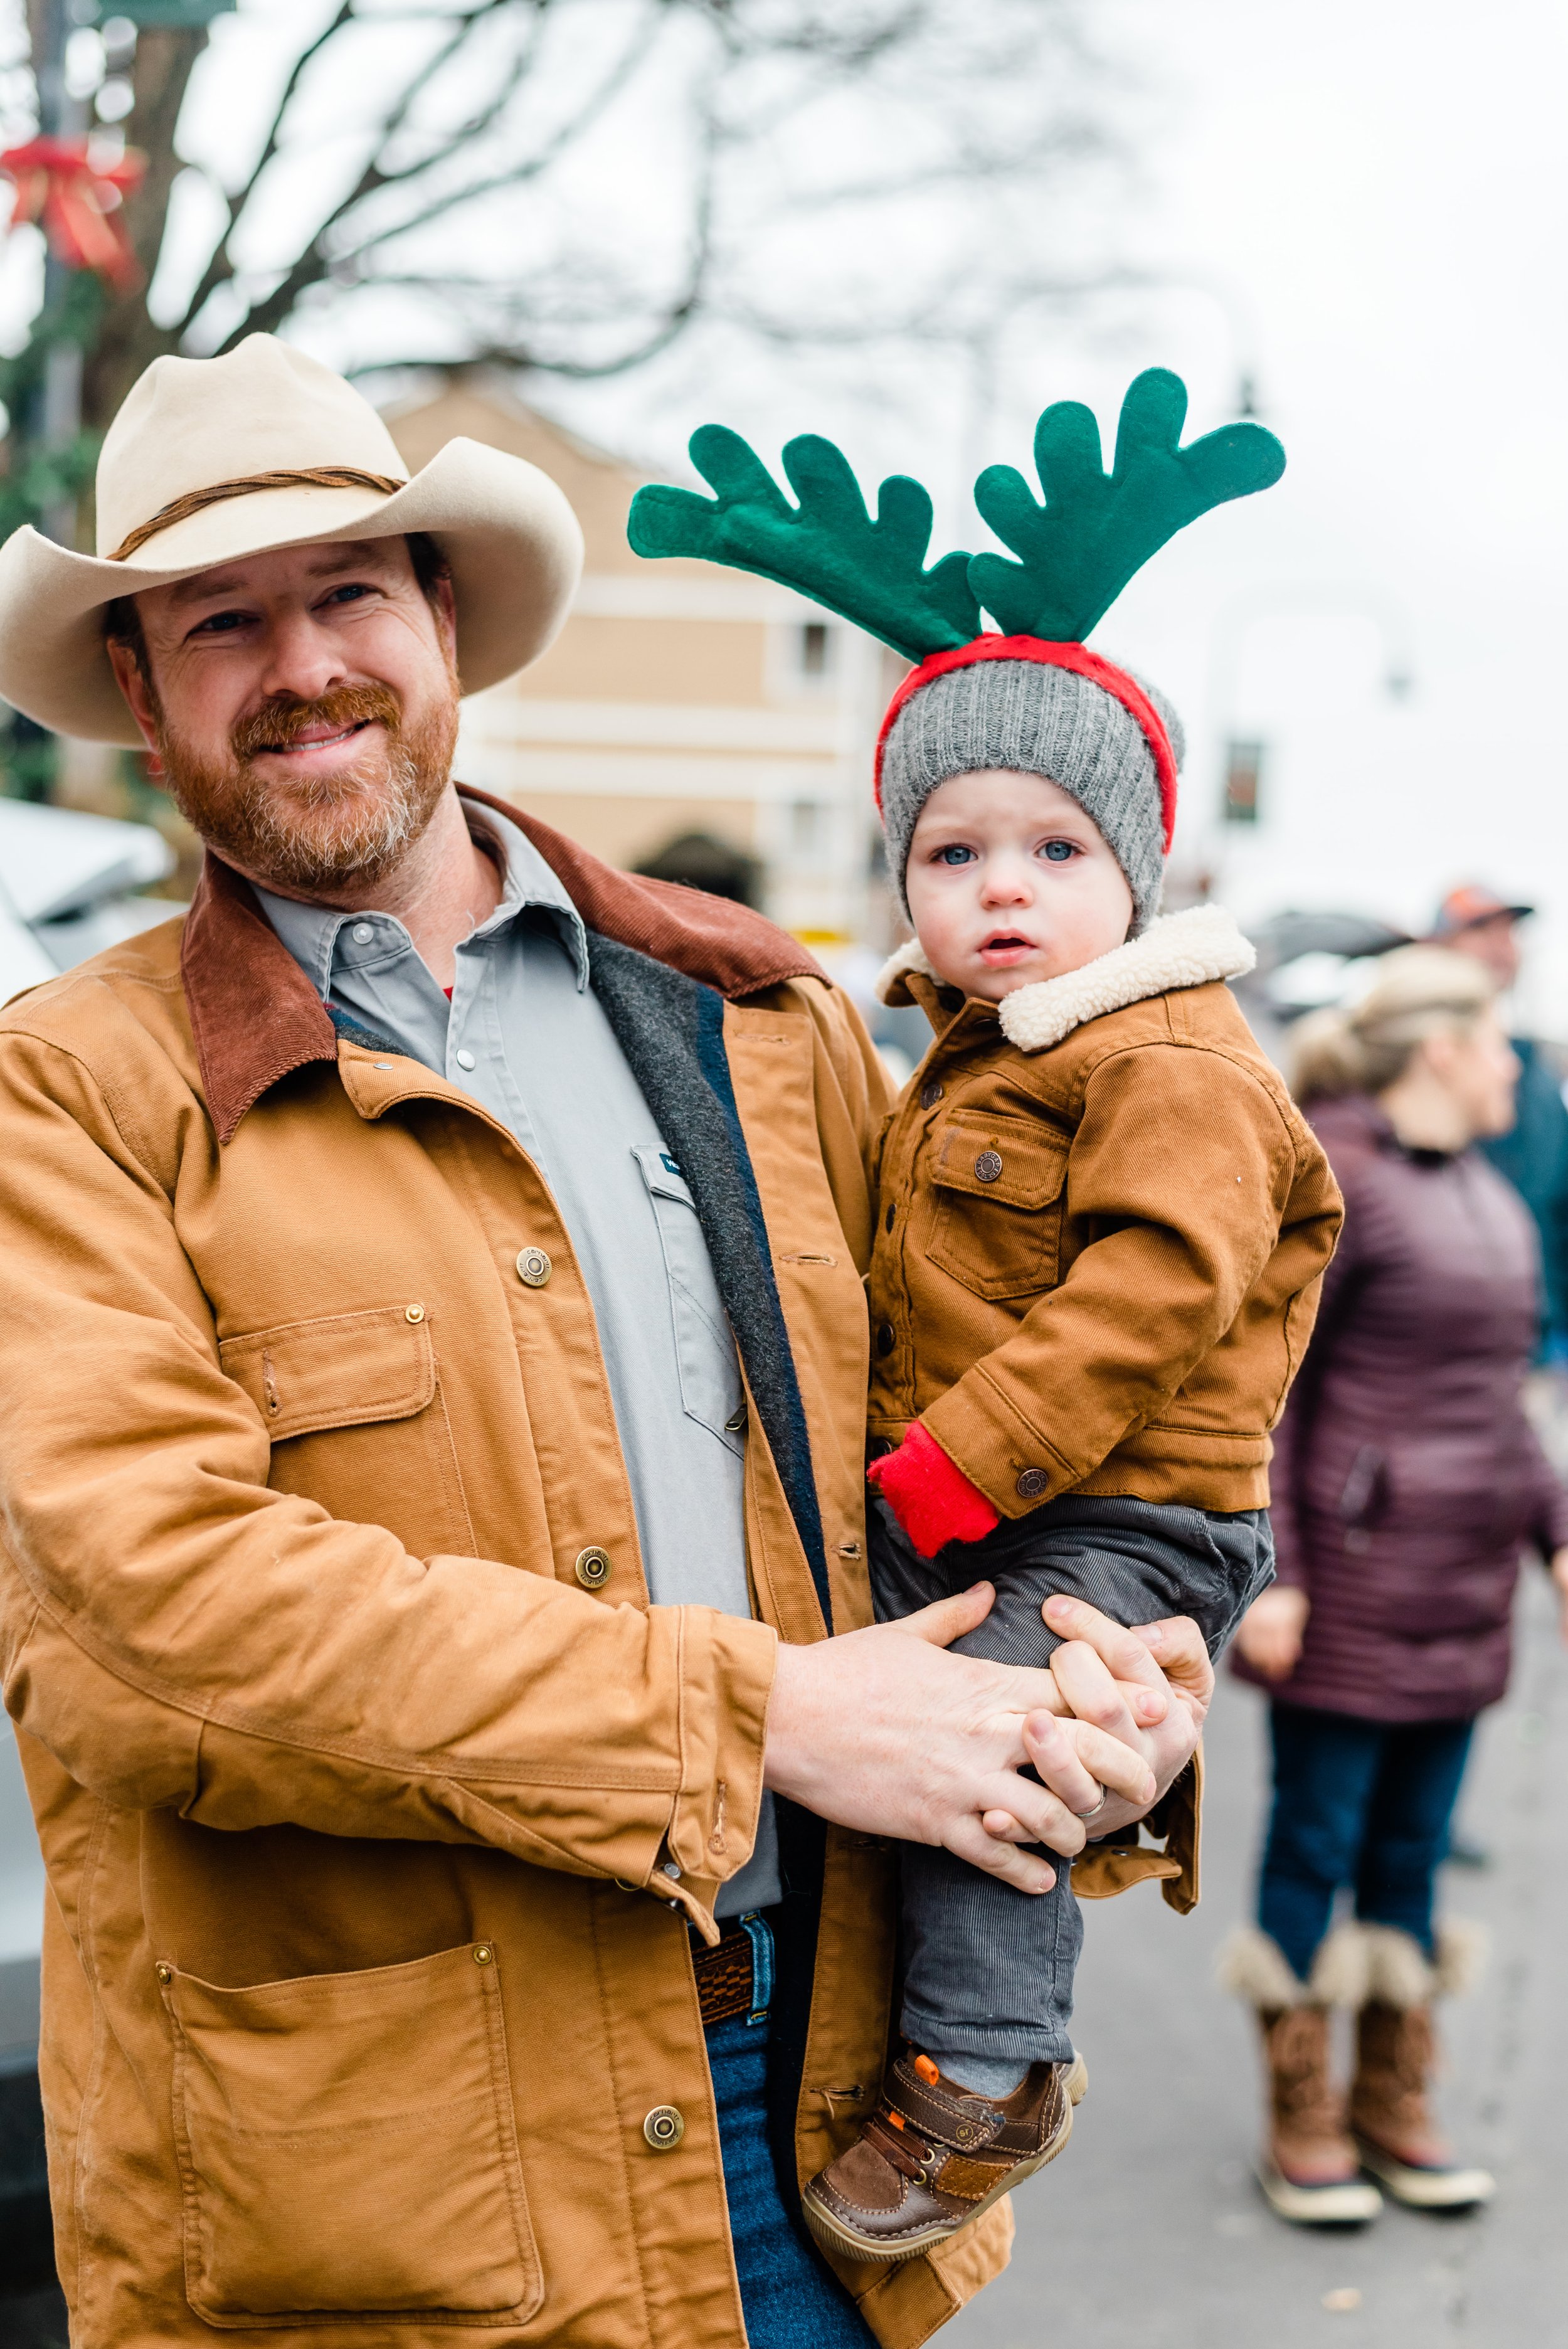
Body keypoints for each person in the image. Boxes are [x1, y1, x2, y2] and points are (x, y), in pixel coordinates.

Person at [0, 336, 1209, 2349]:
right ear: (137, 690)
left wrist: (1103, 1694)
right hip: (373, 2199)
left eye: (348, 592)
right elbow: (151, 1620)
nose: (300, 663)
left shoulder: (764, 1021)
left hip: (818, 2128)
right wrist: (754, 1722)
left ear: (444, 619)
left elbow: (972, 1445)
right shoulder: (68, 1096)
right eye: (221, 621)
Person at [624, 371, 1337, 2266]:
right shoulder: (953, 1062)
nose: (999, 890)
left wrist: (950, 1467)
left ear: (1134, 871)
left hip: (1114, 1509)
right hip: (996, 1485)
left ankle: (987, 2064)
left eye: (1049, 852)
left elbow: (1156, 1294)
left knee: (997, 1720)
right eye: (951, 855)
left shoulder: (1166, 1055)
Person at [1226, 946, 1568, 2227]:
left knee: (1413, 1853)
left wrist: (1555, 1536)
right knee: (1317, 1840)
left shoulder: (1486, 1192)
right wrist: (1273, 1572)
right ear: (1436, 1048)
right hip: (1349, 1593)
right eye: (1495, 1042)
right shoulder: (1339, 1178)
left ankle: (1391, 2099)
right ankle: (1300, 2113)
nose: (1512, 1067)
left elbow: (1498, 1411)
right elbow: (1267, 1393)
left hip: (1465, 1597)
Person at [1431, 884, 1568, 1360]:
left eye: (1509, 932)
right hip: (1439, 1342)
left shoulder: (1535, 1072)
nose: (1500, 944)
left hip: (1534, 1339)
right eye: (1480, 929)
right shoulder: (1406, 1066)